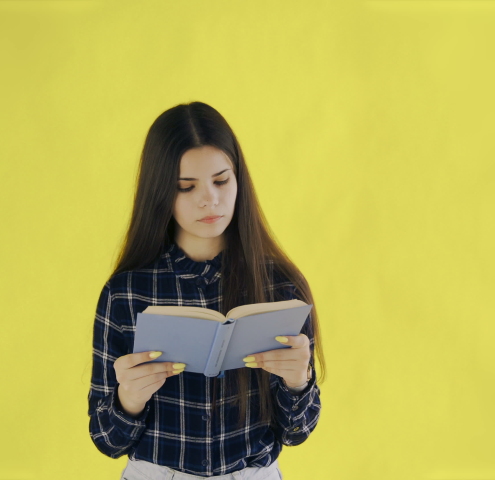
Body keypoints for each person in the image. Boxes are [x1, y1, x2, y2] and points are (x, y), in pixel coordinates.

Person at [87, 101, 325, 479]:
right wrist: (128, 400)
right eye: (186, 186)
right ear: (161, 193)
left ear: (238, 180)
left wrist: (298, 382)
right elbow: (106, 440)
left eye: (221, 180)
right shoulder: (126, 292)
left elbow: (297, 432)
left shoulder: (281, 285)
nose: (209, 199)